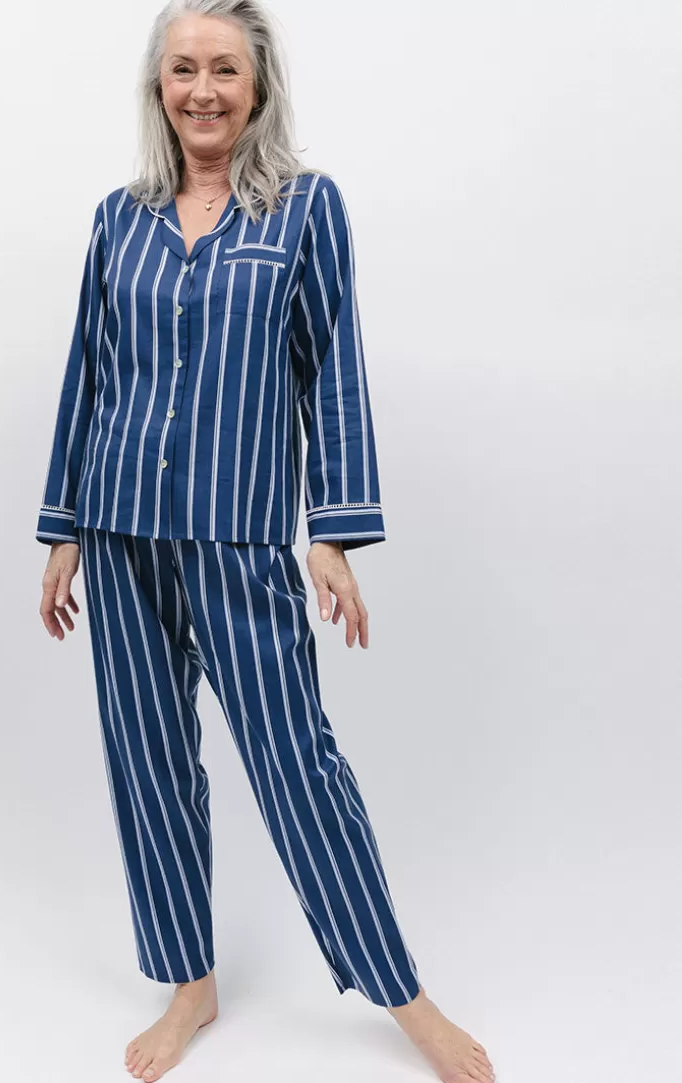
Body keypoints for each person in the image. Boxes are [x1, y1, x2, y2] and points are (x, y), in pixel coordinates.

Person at [36, 2, 496, 1082]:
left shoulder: (304, 209)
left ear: (258, 87)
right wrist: (61, 529)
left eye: (224, 70)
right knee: (147, 762)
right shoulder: (118, 219)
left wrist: (332, 533)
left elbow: (333, 367)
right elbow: (88, 374)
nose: (202, 89)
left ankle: (402, 994)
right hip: (118, 527)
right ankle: (189, 984)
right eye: (183, 68)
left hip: (240, 538)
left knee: (297, 764)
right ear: (158, 85)